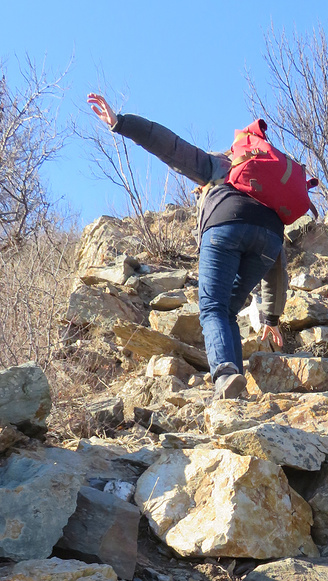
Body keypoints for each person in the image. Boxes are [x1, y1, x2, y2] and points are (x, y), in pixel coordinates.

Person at [88, 94, 285, 399]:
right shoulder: (268, 190)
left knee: (212, 307)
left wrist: (123, 124)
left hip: (224, 226)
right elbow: (277, 267)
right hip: (270, 237)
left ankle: (225, 375)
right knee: (228, 308)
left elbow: (171, 146)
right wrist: (272, 317)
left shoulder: (219, 164)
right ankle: (235, 382)